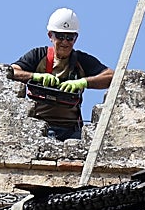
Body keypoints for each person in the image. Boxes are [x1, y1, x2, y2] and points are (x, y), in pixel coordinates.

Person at [11, 8, 113, 140]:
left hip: (70, 130)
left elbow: (112, 77)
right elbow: (11, 72)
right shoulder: (38, 56)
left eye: (70, 38)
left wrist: (83, 82)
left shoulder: (80, 61)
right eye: (60, 36)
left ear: (75, 39)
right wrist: (35, 76)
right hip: (39, 127)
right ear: (50, 36)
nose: (65, 42)